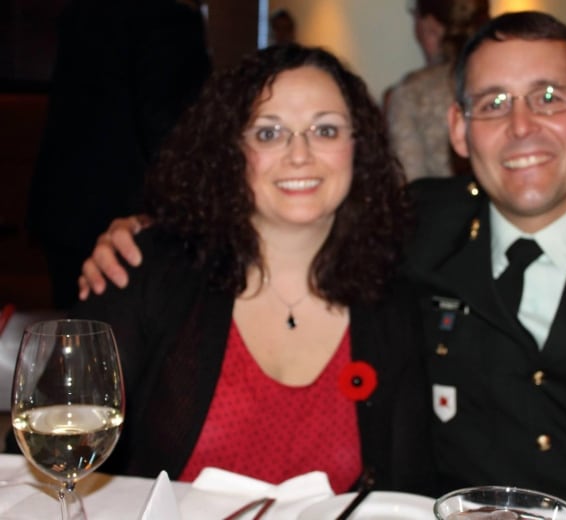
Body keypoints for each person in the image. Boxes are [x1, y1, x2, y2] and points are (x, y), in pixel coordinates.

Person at [75, 11, 566, 518]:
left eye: (548, 98)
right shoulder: (416, 239)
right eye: (493, 103)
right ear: (456, 130)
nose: (522, 127)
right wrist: (146, 229)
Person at [50, 44, 435, 495]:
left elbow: (410, 489)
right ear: (230, 149)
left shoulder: (393, 301)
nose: (300, 155)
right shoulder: (146, 267)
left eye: (325, 130)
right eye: (269, 134)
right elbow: (51, 449)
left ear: (358, 146)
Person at [26, 0, 211, 309]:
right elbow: (173, 131)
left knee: (81, 333)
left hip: (64, 209)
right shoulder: (170, 19)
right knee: (125, 341)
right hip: (126, 220)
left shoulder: (81, 12)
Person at [384, 0, 489, 180]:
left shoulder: (411, 93)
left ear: (430, 26)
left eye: (414, 14)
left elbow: (411, 187)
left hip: (440, 205)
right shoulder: (499, 80)